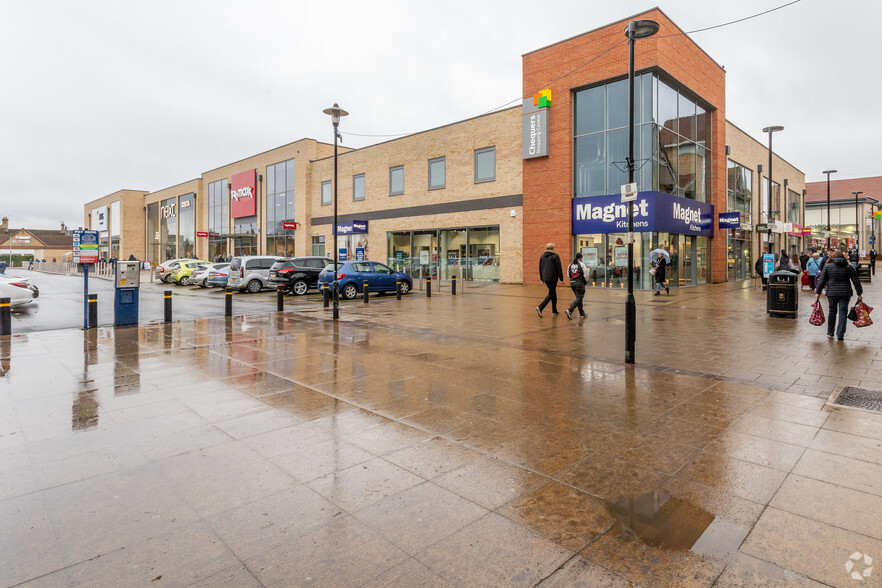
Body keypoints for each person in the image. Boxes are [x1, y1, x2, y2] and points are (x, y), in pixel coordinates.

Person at [815, 250, 863, 341]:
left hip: (832, 292)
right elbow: (856, 281)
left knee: (832, 311)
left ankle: (830, 332)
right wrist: (859, 293)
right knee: (843, 312)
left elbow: (822, 280)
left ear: (832, 258)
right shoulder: (849, 267)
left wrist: (818, 292)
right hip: (845, 292)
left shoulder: (827, 267)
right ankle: (840, 334)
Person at [536, 242, 563, 317]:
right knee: (551, 294)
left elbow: (540, 268)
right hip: (553, 278)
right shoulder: (555, 256)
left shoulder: (542, 257)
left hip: (546, 278)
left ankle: (554, 310)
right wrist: (562, 279)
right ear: (553, 248)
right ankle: (540, 307)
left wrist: (542, 278)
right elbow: (559, 268)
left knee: (553, 293)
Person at [565, 252, 589, 319]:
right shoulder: (582, 264)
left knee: (578, 298)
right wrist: (585, 281)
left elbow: (568, 274)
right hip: (580, 283)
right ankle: (570, 310)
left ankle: (581, 313)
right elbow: (586, 274)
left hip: (573, 283)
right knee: (579, 298)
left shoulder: (570, 265)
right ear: (581, 257)